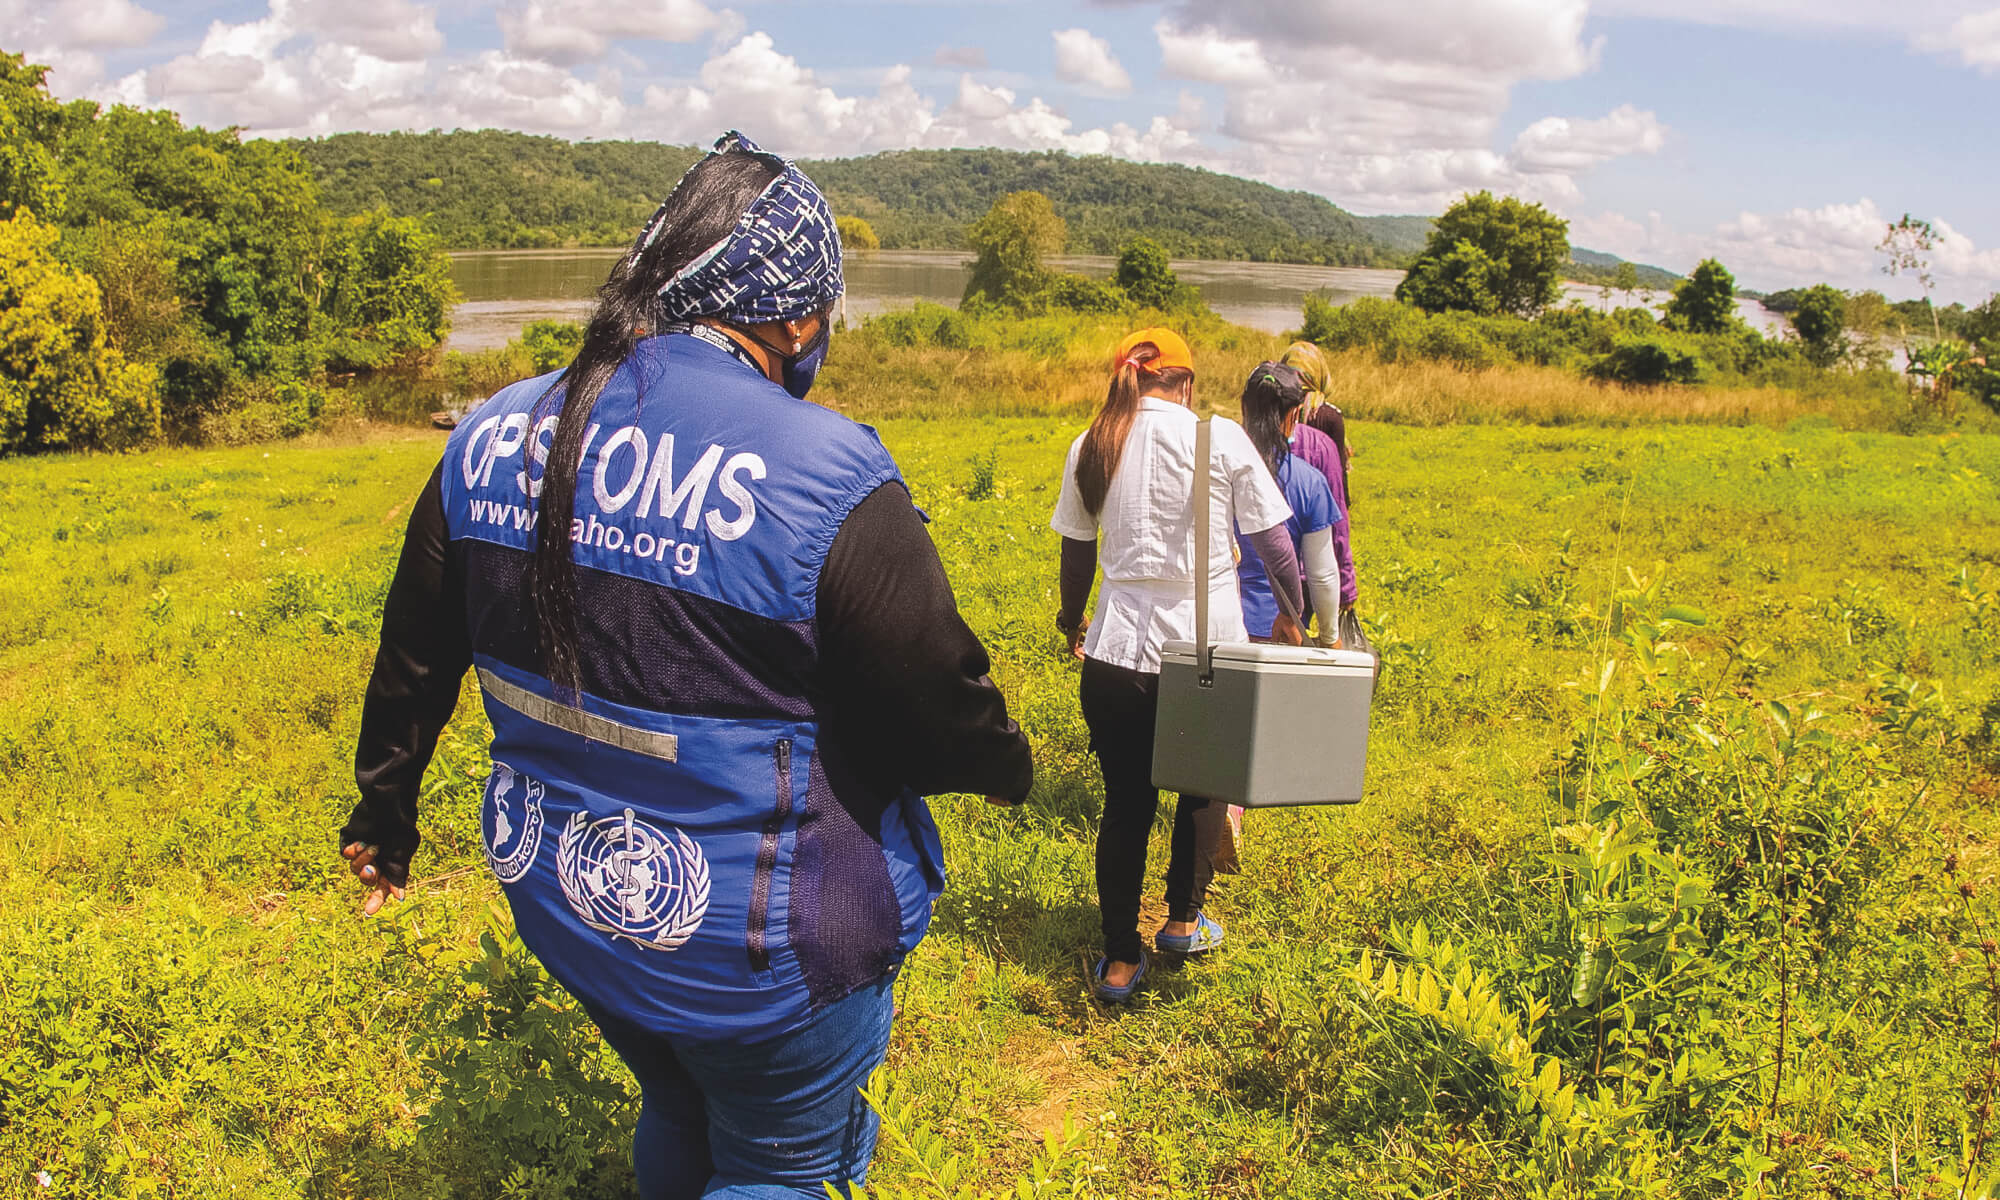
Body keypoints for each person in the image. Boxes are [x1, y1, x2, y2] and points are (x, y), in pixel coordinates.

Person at [337, 132, 1032, 1200]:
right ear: (795, 317)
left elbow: (414, 653)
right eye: (825, 317)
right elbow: (940, 715)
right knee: (778, 1162)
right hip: (755, 947)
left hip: (565, 897)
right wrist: (1005, 765)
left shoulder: (486, 432)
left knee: (674, 1099)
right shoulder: (825, 469)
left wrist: (382, 810)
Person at [1050, 327, 1305, 1003]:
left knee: (1125, 806)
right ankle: (1182, 923)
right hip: (1207, 652)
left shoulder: (1092, 444)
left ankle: (1118, 961)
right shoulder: (1219, 438)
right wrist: (1294, 614)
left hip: (1115, 656)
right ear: (1187, 383)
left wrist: (1071, 619)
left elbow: (1077, 556)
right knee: (1202, 790)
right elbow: (1276, 548)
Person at [1232, 362, 1344, 646]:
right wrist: (1330, 639)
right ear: (1295, 413)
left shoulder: (1216, 470)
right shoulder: (1309, 482)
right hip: (1282, 630)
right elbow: (1322, 575)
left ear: (1245, 408)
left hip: (1219, 621)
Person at [1280, 341, 1362, 648]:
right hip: (1316, 531)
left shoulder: (1268, 407)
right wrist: (1346, 582)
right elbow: (1339, 496)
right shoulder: (1328, 417)